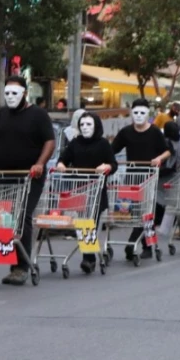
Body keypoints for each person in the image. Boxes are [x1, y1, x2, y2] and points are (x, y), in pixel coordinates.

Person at [0, 76, 56, 286]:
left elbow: (50, 141)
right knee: (3, 216)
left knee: (22, 216)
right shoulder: (2, 115)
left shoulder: (38, 115)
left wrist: (40, 163)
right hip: (4, 175)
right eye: (7, 93)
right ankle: (7, 256)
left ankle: (21, 266)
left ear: (24, 93)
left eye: (15, 93)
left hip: (30, 177)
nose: (10, 97)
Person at [110, 98, 172, 261]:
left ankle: (139, 245)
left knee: (144, 212)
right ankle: (138, 243)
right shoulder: (126, 132)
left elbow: (167, 151)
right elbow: (112, 150)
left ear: (148, 114)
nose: (138, 116)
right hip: (131, 177)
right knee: (128, 212)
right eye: (135, 113)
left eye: (142, 113)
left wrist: (159, 159)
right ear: (131, 114)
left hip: (149, 177)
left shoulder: (154, 132)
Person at [56, 112, 118, 274]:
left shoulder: (103, 143)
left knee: (90, 223)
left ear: (96, 126)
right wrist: (62, 164)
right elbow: (63, 158)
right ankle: (89, 255)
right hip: (80, 189)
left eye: (89, 124)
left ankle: (88, 258)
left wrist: (106, 167)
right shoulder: (75, 143)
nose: (85, 128)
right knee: (82, 223)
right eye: (82, 124)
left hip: (97, 190)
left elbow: (113, 163)